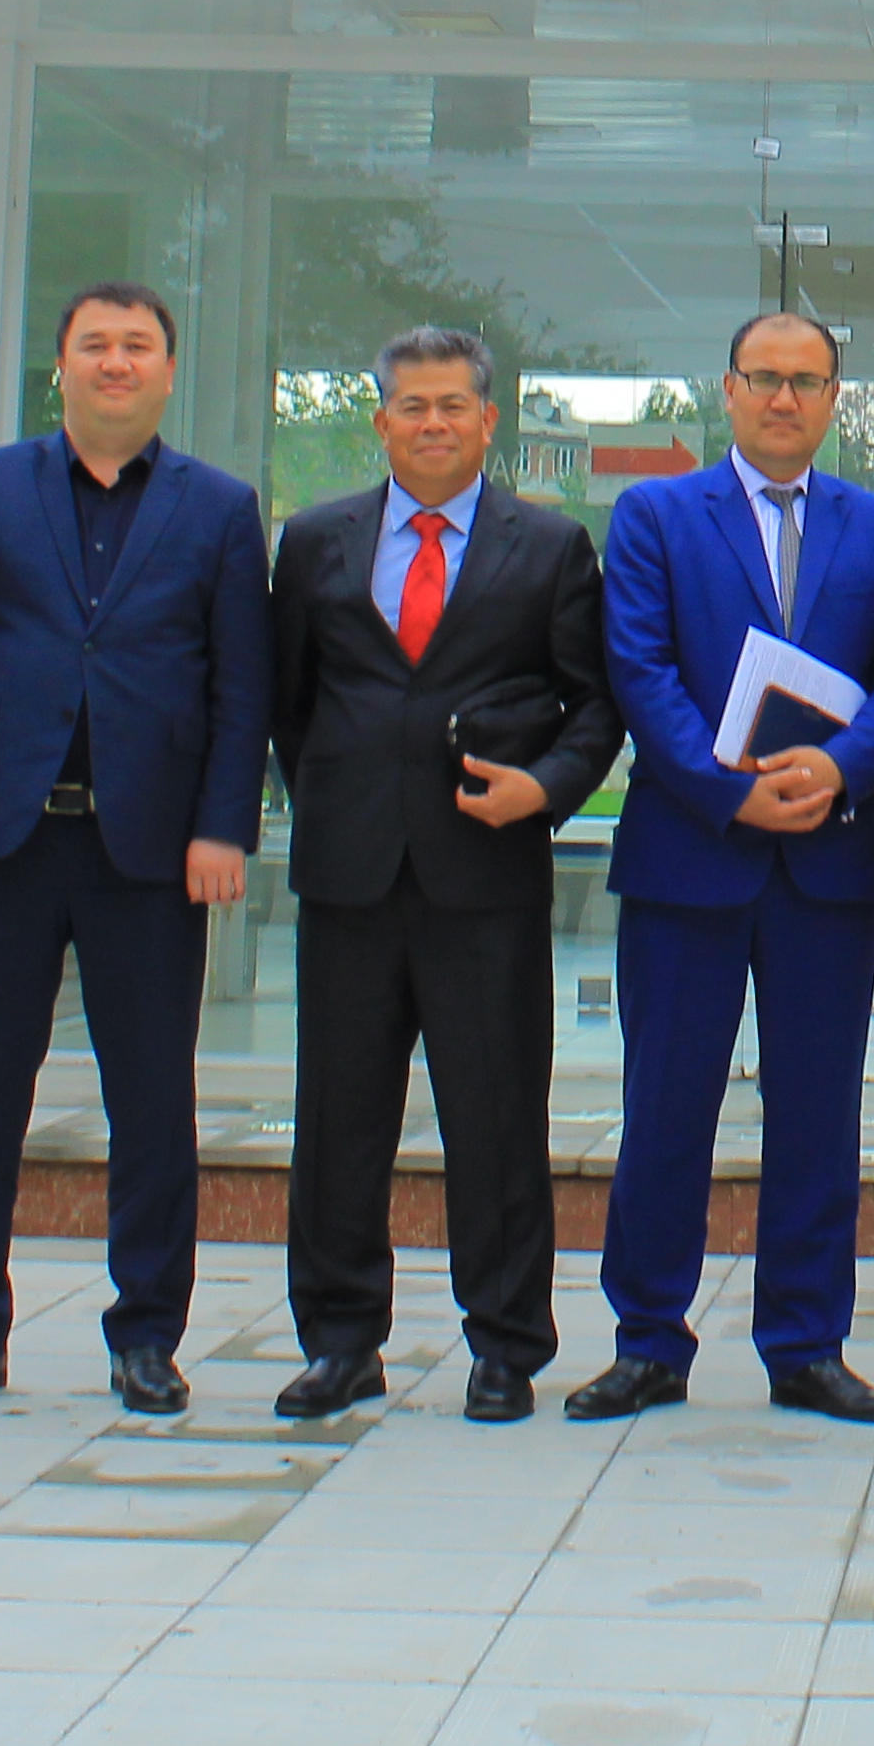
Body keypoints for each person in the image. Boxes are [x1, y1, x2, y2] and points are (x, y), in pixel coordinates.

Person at [0, 282, 268, 1415]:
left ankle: (146, 1334)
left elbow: (241, 685)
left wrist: (223, 824)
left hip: (149, 851)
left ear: (167, 369)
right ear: (60, 366)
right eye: (95, 344)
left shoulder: (219, 507)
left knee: (151, 1101)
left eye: (137, 345)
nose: (116, 362)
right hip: (0, 841)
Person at [266, 324, 622, 1426]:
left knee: (497, 1119)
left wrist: (544, 790)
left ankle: (506, 1346)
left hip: (487, 874)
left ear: (487, 419)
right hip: (349, 878)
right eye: (411, 407)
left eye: (452, 405)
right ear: (380, 421)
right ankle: (340, 1342)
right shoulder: (315, 541)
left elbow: (596, 705)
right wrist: (341, 797)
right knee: (339, 1120)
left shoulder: (550, 547)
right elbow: (289, 702)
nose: (432, 424)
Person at [580, 309, 874, 1422]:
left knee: (817, 1115)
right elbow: (639, 668)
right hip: (689, 859)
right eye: (763, 377)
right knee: (665, 1107)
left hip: (826, 862)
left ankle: (806, 1344)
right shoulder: (657, 515)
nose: (783, 398)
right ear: (727, 390)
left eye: (807, 381)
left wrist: (842, 767)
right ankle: (647, 1341)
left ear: (833, 400)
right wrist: (730, 790)